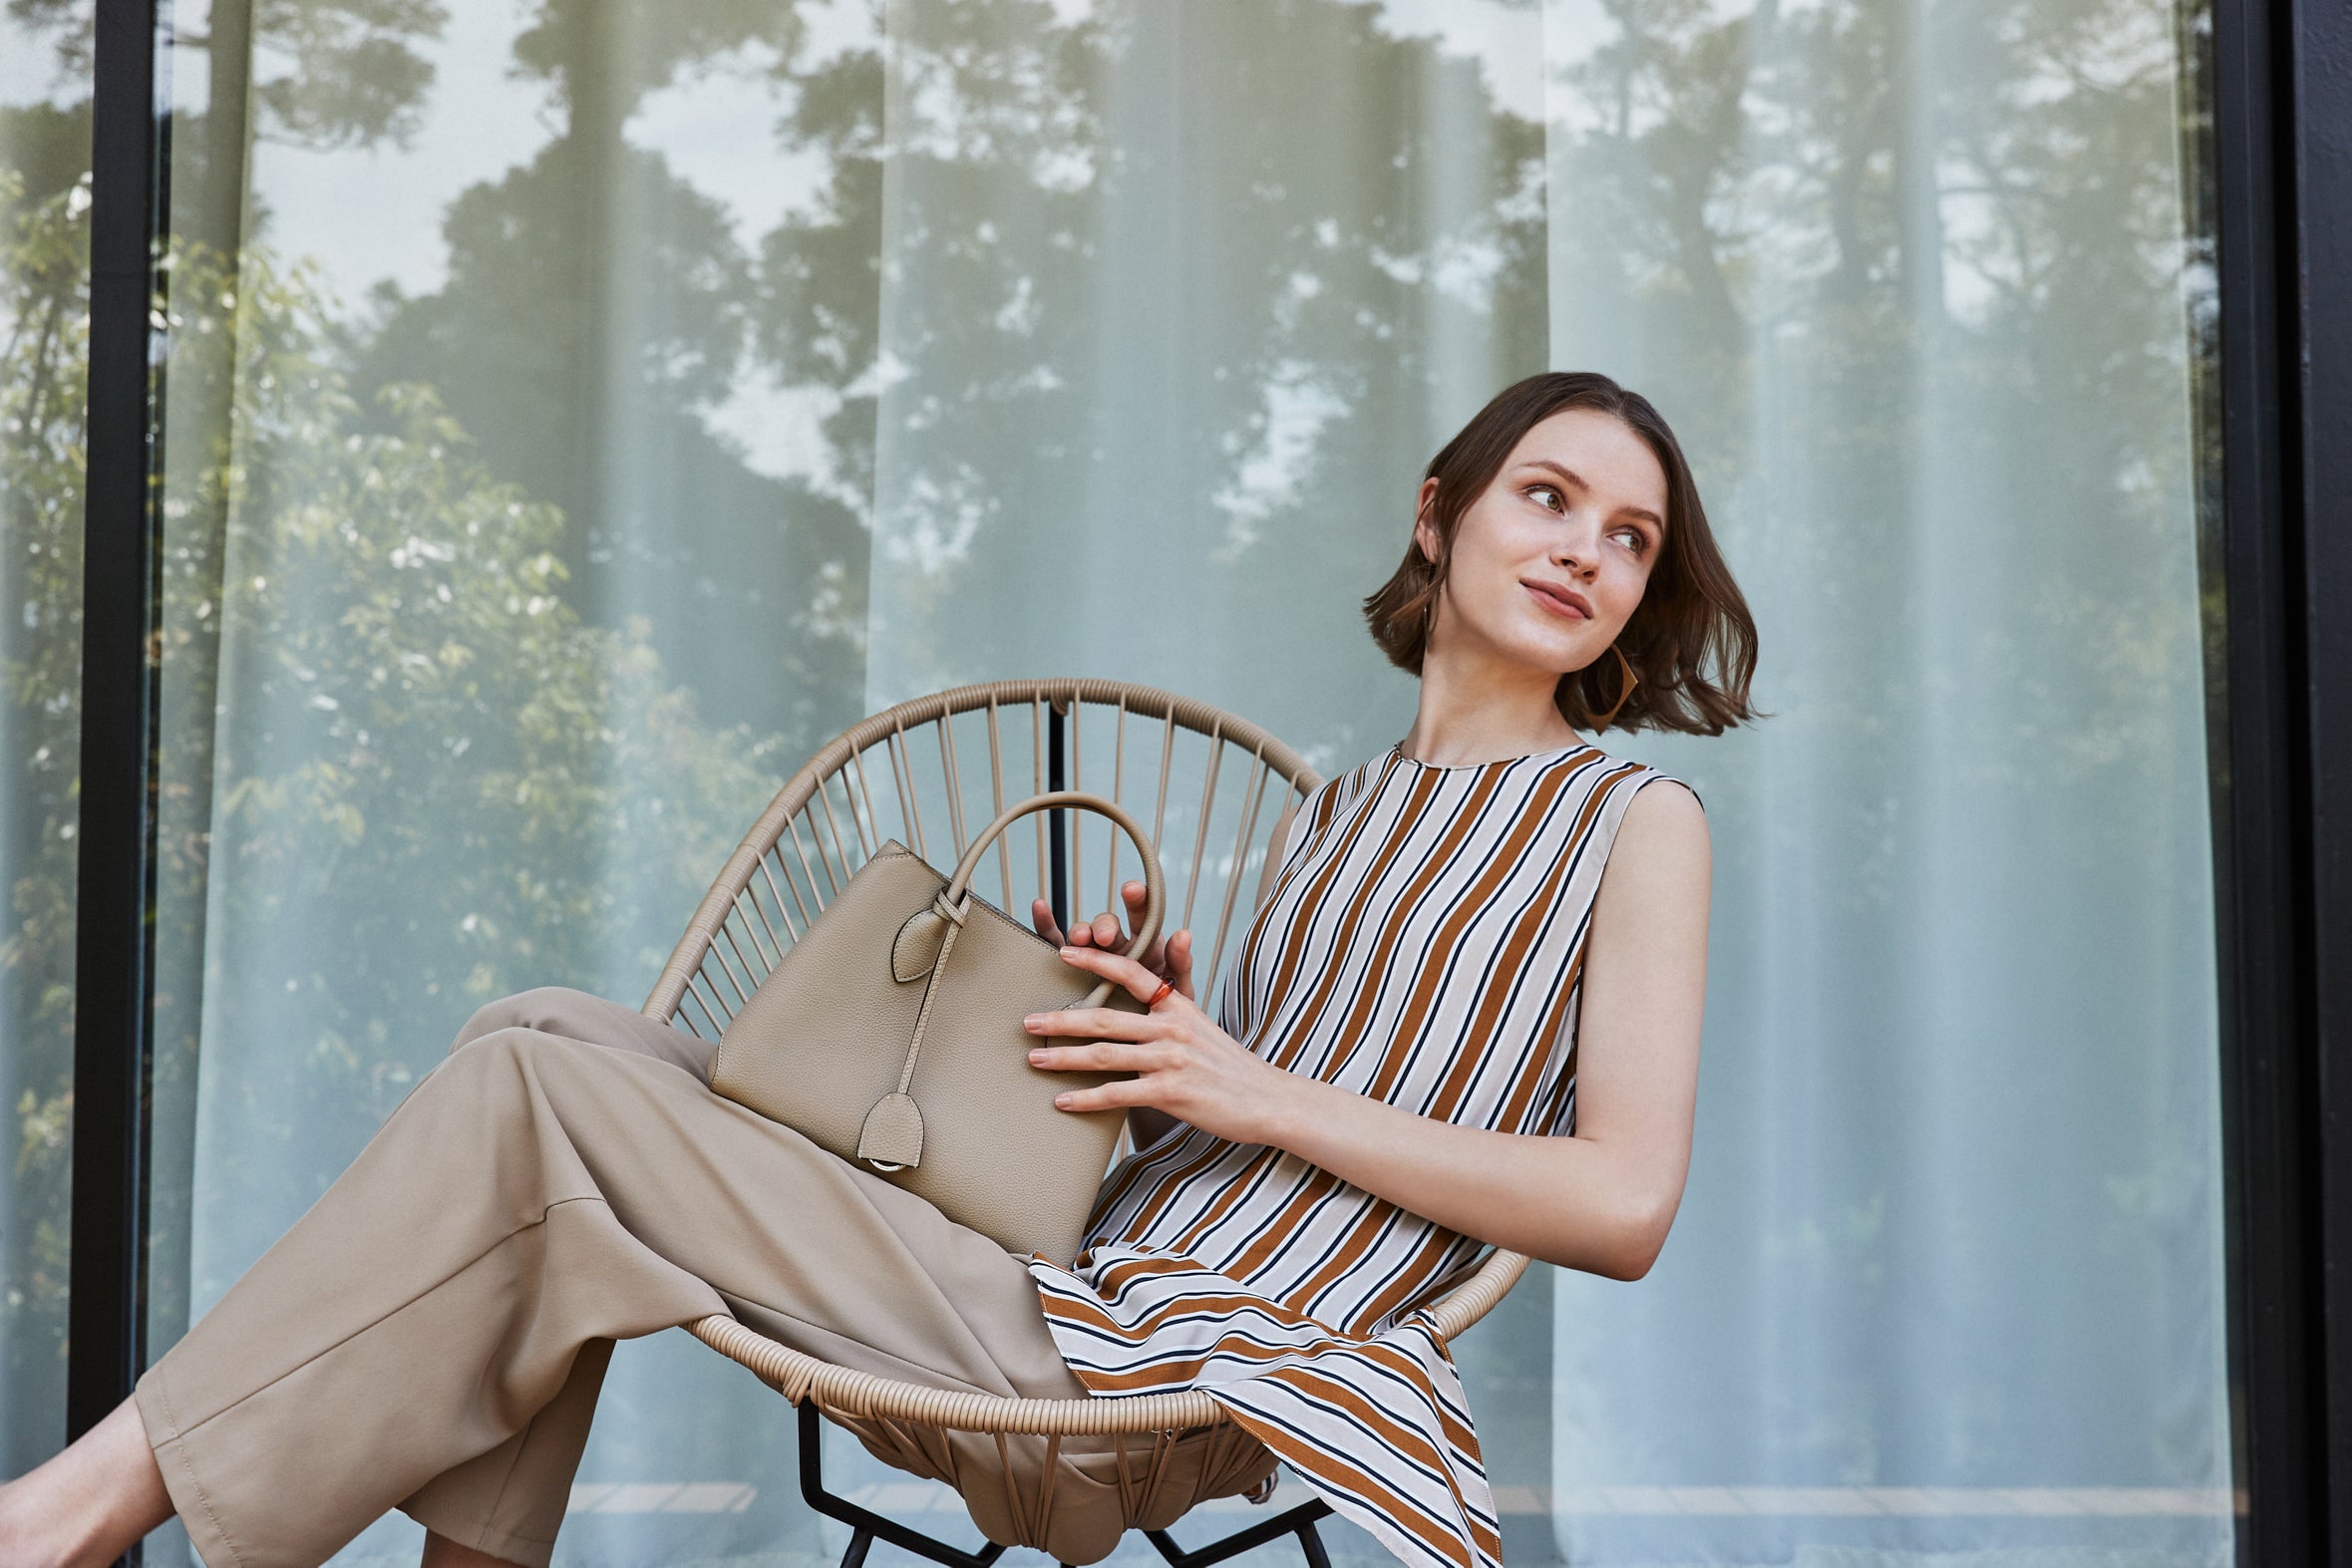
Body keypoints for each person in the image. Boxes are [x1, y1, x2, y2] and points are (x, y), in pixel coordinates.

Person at [0, 370, 1756, 1568]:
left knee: (539, 1095)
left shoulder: (1635, 819)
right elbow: (1218, 1145)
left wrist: (1238, 1081)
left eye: (1628, 539)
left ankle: (69, 1518)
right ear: (1440, 516)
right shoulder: (1347, 802)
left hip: (1134, 1376)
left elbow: (1622, 1203)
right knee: (537, 1027)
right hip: (1068, 1264)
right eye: (1550, 496)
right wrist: (1138, 1034)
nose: (1584, 553)